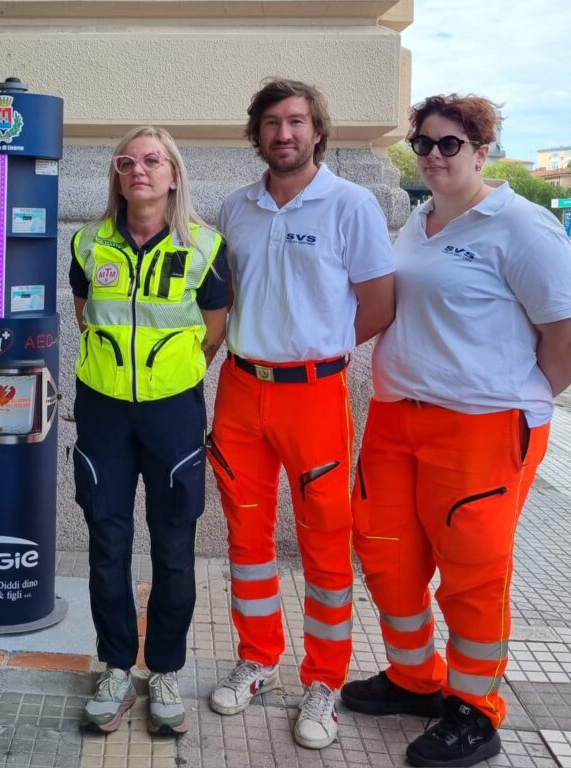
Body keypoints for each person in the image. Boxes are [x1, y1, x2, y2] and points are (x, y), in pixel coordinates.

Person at [341, 94, 571, 767]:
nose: (433, 154)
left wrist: (517, 395)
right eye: (423, 142)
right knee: (387, 554)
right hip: (397, 417)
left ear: (482, 151)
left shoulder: (522, 226)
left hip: (482, 428)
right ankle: (414, 678)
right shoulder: (418, 221)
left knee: (472, 573)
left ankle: (474, 709)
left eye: (449, 143)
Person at [207, 78, 396, 749]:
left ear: (318, 130)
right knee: (246, 538)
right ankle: (258, 659)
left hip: (315, 396)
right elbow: (222, 300)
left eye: (296, 121)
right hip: (240, 388)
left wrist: (324, 349)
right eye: (271, 122)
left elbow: (379, 302)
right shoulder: (235, 207)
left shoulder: (352, 204)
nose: (283, 133)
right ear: (256, 133)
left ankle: (323, 681)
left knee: (325, 540)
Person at [71, 126, 229, 735]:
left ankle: (163, 669)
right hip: (104, 410)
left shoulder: (206, 247)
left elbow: (213, 331)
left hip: (172, 412)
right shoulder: (88, 243)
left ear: (173, 174)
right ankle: (115, 667)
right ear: (116, 175)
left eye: (152, 161)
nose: (139, 170)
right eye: (127, 162)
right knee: (107, 542)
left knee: (174, 546)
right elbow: (86, 315)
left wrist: (169, 374)